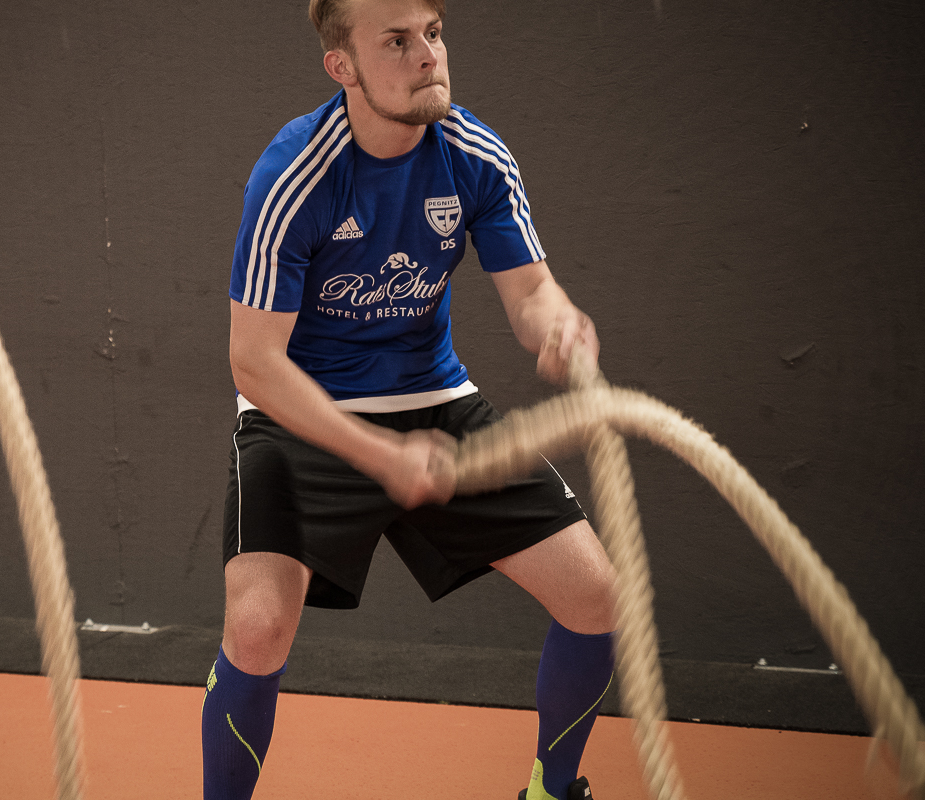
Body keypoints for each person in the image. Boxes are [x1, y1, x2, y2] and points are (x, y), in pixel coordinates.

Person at [203, 1, 618, 798]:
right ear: (343, 67)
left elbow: (531, 292)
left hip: (433, 403)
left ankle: (551, 791)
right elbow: (254, 364)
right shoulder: (294, 175)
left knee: (595, 595)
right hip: (302, 419)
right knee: (256, 628)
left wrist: (559, 326)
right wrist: (380, 456)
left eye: (433, 31)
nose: (427, 55)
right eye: (396, 41)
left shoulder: (476, 156)